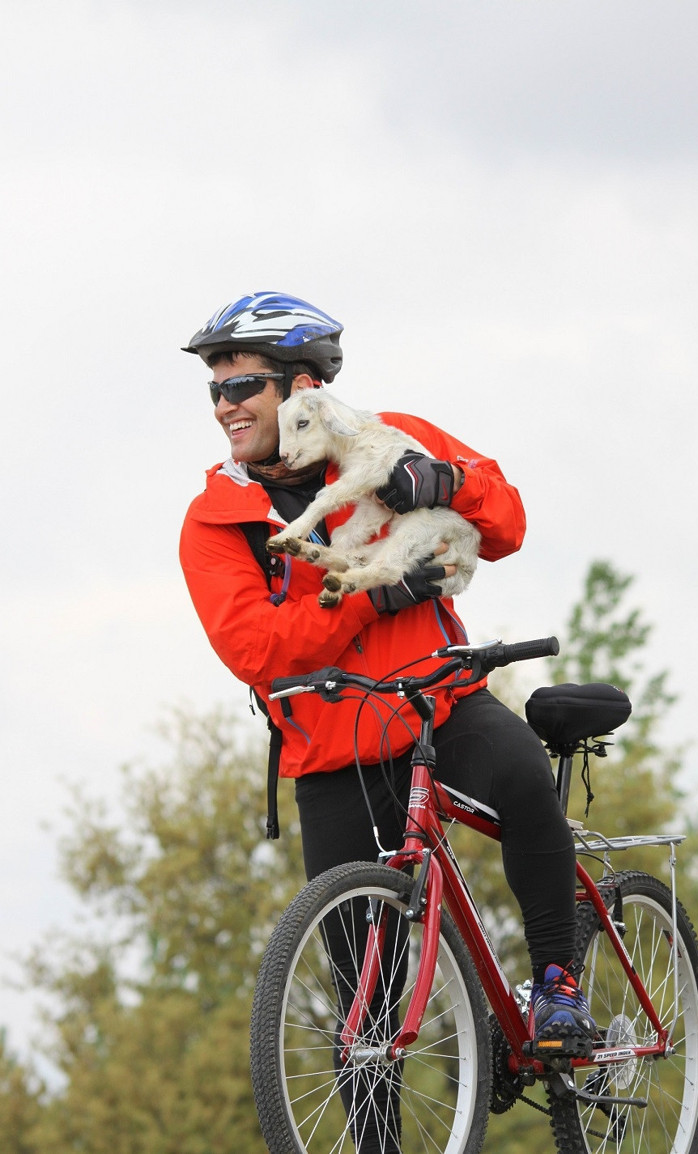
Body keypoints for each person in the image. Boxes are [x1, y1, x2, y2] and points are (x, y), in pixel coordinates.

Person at [179, 291, 596, 1131]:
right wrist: (375, 597)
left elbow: (506, 520)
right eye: (214, 391)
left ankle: (557, 985)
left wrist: (443, 482)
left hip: (441, 702)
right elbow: (257, 649)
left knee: (519, 772)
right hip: (332, 751)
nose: (226, 406)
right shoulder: (216, 521)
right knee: (363, 1012)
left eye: (244, 386)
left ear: (302, 387)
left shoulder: (390, 435)